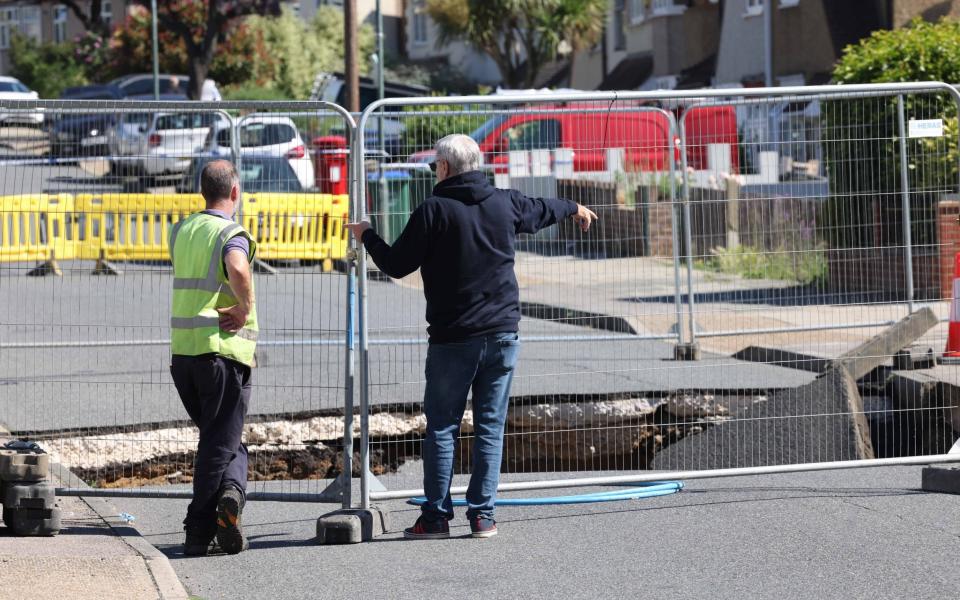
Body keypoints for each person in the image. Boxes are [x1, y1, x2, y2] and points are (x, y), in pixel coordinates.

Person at [346, 134, 596, 539]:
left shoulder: (434, 210)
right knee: (490, 426)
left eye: (434, 168)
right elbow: (542, 209)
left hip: (453, 339)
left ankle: (436, 517)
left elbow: (395, 264)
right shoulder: (505, 202)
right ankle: (483, 516)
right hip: (502, 335)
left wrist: (367, 234)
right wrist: (574, 208)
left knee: (443, 427)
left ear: (444, 168)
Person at [168, 160, 258, 555]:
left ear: (202, 191)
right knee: (217, 446)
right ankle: (198, 529)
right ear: (234, 192)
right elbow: (237, 267)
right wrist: (244, 306)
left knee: (225, 439)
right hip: (221, 353)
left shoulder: (183, 230)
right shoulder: (230, 232)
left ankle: (232, 496)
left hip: (184, 354)